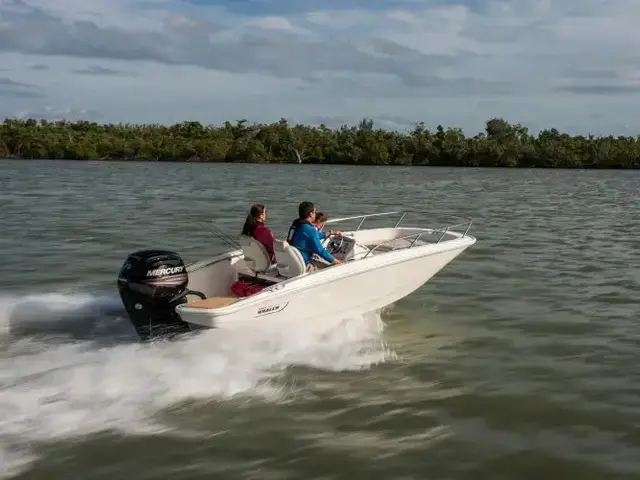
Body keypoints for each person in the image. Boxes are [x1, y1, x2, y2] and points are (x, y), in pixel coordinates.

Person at [287, 201, 343, 269]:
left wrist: (328, 233)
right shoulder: (311, 230)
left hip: (293, 261)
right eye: (315, 211)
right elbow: (320, 251)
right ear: (311, 214)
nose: (315, 214)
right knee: (334, 268)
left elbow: (310, 237)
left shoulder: (296, 225)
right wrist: (336, 261)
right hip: (304, 265)